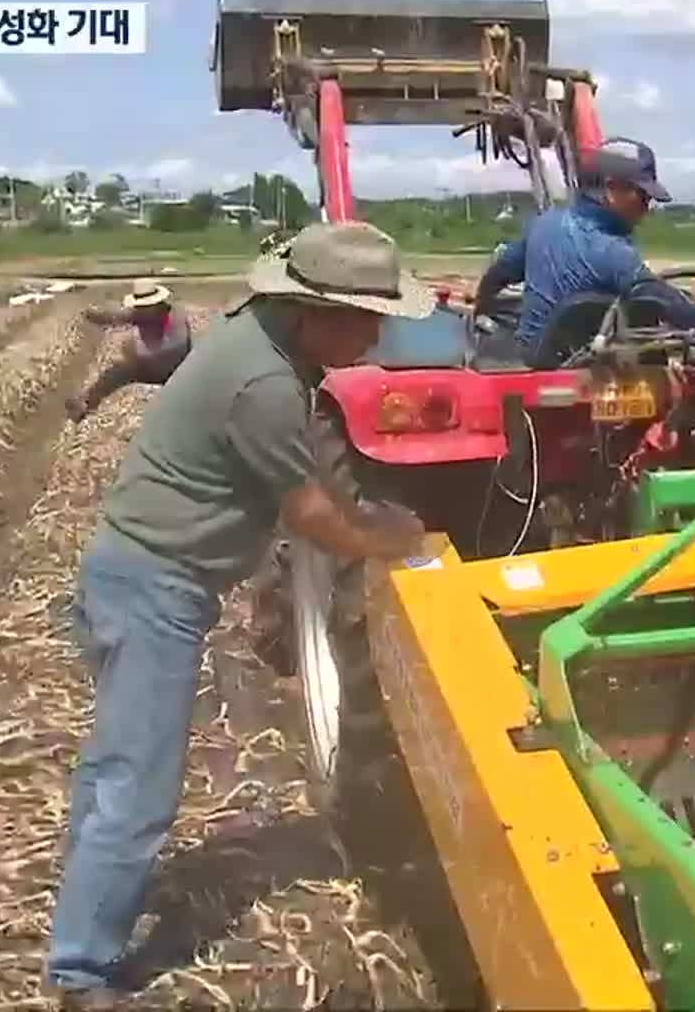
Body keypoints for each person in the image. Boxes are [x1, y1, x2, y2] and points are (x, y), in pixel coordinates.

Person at [43, 222, 433, 1008]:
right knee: (138, 785)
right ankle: (81, 972)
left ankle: (87, 917)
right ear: (313, 311)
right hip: (154, 587)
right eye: (365, 316)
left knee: (115, 769)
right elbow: (311, 515)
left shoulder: (255, 339)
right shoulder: (263, 384)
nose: (377, 332)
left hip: (137, 574)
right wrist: (386, 541)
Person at [473, 136, 695, 366]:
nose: (646, 208)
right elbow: (658, 298)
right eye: (642, 196)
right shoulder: (612, 252)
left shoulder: (543, 224)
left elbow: (499, 273)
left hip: (536, 362)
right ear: (611, 190)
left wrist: (482, 305)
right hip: (589, 367)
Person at [65, 280, 192, 423]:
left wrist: (132, 351)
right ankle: (85, 404)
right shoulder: (144, 314)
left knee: (123, 367)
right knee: (115, 373)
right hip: (152, 365)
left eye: (144, 306)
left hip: (173, 368)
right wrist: (90, 314)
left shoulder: (175, 317)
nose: (140, 310)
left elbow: (174, 350)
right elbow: (115, 317)